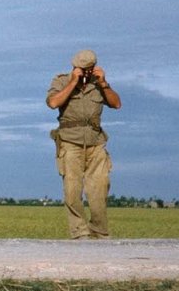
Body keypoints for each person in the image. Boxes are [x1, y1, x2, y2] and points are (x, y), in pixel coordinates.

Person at [46, 49, 122, 239]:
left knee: (99, 190)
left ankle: (99, 232)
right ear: (74, 66)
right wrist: (73, 82)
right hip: (70, 143)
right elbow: (53, 103)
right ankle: (80, 233)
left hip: (96, 143)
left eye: (89, 69)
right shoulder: (61, 80)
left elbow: (116, 104)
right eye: (81, 68)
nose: (85, 72)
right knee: (72, 191)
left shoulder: (99, 84)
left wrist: (103, 83)